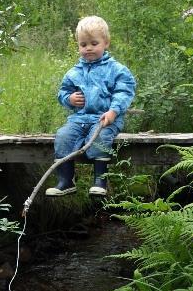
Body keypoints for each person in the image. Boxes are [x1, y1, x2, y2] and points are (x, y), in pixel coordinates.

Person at [45, 16, 136, 197]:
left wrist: (113, 111)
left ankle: (100, 181)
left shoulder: (117, 70)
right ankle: (66, 181)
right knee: (63, 137)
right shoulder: (74, 72)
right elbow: (62, 93)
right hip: (79, 119)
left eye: (94, 43)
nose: (88, 48)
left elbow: (124, 92)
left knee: (101, 138)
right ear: (78, 46)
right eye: (83, 44)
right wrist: (69, 99)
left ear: (106, 43)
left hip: (105, 118)